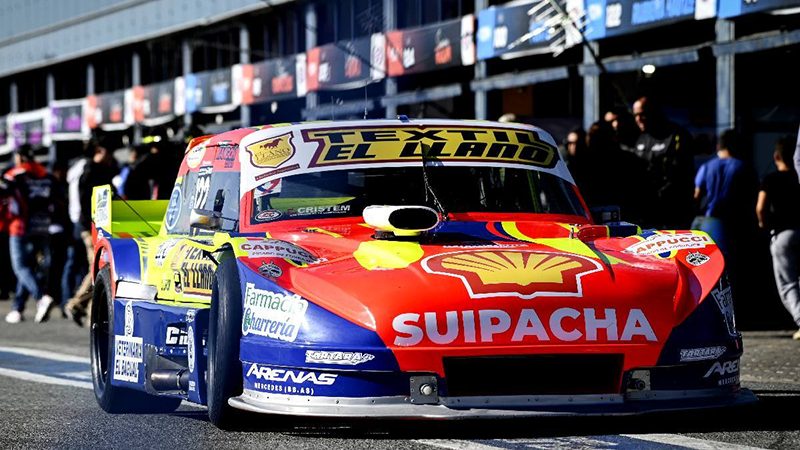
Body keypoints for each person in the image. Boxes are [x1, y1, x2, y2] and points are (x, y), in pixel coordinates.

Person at [3, 145, 61, 323]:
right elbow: (59, 199)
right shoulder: (47, 174)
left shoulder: (14, 174)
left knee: (20, 267)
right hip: (43, 226)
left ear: (19, 157)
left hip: (21, 226)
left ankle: (41, 297)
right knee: (28, 267)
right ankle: (18, 309)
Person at [65, 138, 117, 326]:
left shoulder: (104, 169)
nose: (111, 156)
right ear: (99, 150)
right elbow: (84, 200)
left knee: (98, 268)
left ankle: (88, 313)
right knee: (97, 268)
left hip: (99, 225)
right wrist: (89, 224)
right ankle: (76, 305)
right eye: (108, 152)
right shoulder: (89, 170)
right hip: (91, 226)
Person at [756, 136, 800, 339]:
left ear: (776, 156)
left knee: (788, 283)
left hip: (782, 235)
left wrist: (763, 223)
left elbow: (760, 207)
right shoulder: (798, 178)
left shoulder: (770, 179)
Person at [630, 96, 695, 229]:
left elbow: (681, 176)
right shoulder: (640, 138)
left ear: (654, 112)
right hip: (646, 212)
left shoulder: (677, 135)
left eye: (642, 114)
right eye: (636, 115)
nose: (638, 119)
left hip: (672, 211)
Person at [692, 130, 757, 257]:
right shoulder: (744, 168)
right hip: (734, 225)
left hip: (707, 224)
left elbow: (696, 197)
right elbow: (752, 199)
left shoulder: (706, 167)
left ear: (718, 147)